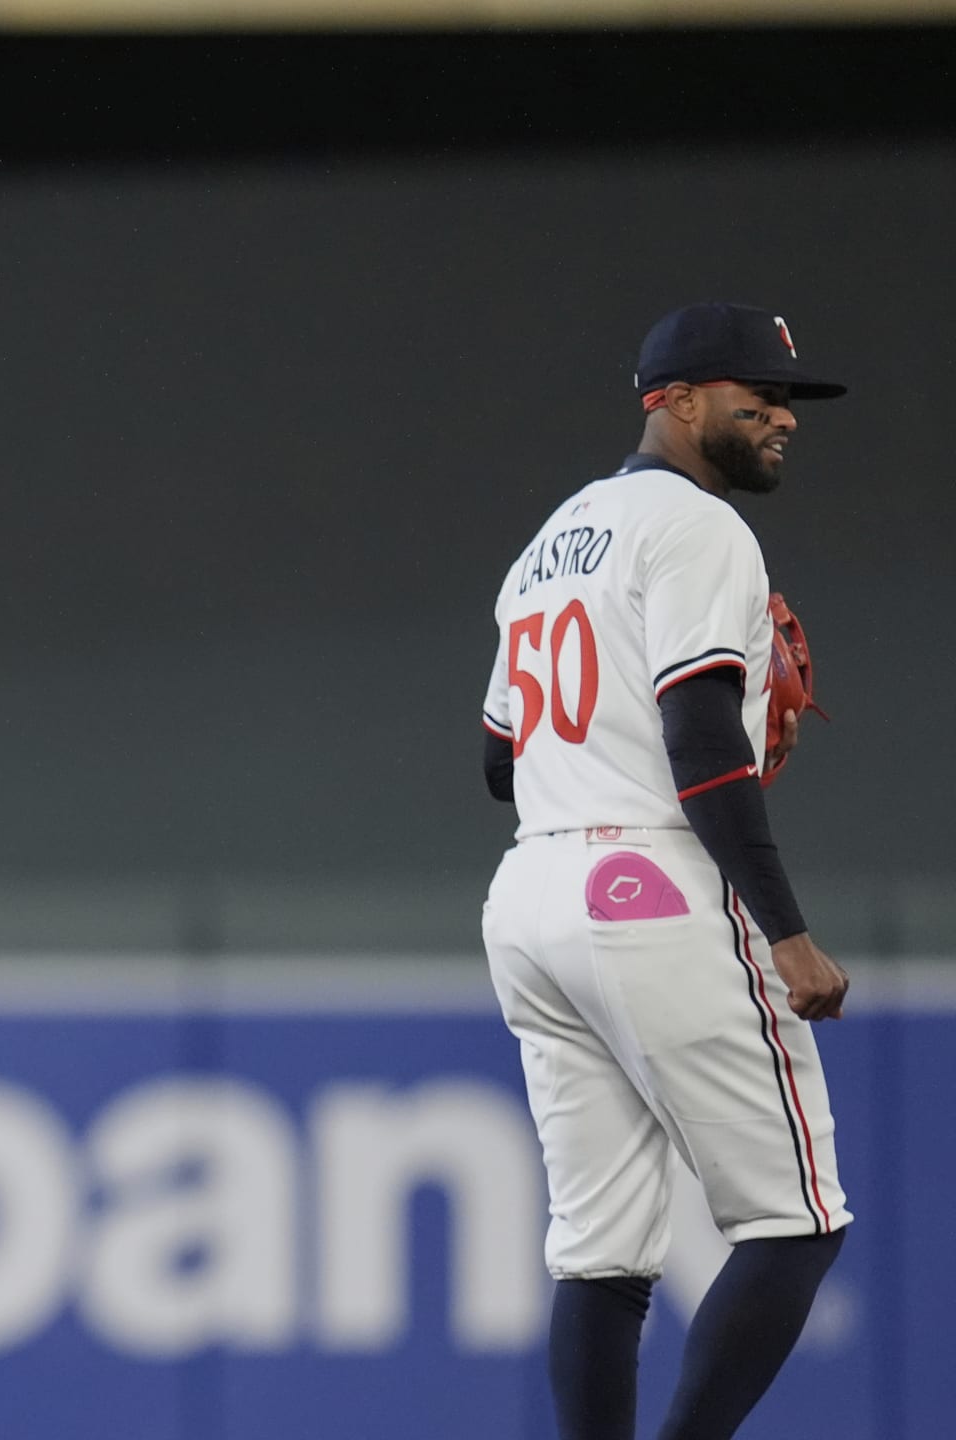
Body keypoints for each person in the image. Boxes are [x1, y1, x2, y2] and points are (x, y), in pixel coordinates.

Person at [478, 302, 851, 1440]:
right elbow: (699, 741)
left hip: (531, 896)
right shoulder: (698, 527)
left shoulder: (550, 541)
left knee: (601, 1254)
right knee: (796, 1222)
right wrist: (786, 933)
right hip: (648, 885)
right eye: (759, 394)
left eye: (786, 397)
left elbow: (499, 761)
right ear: (677, 400)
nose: (783, 415)